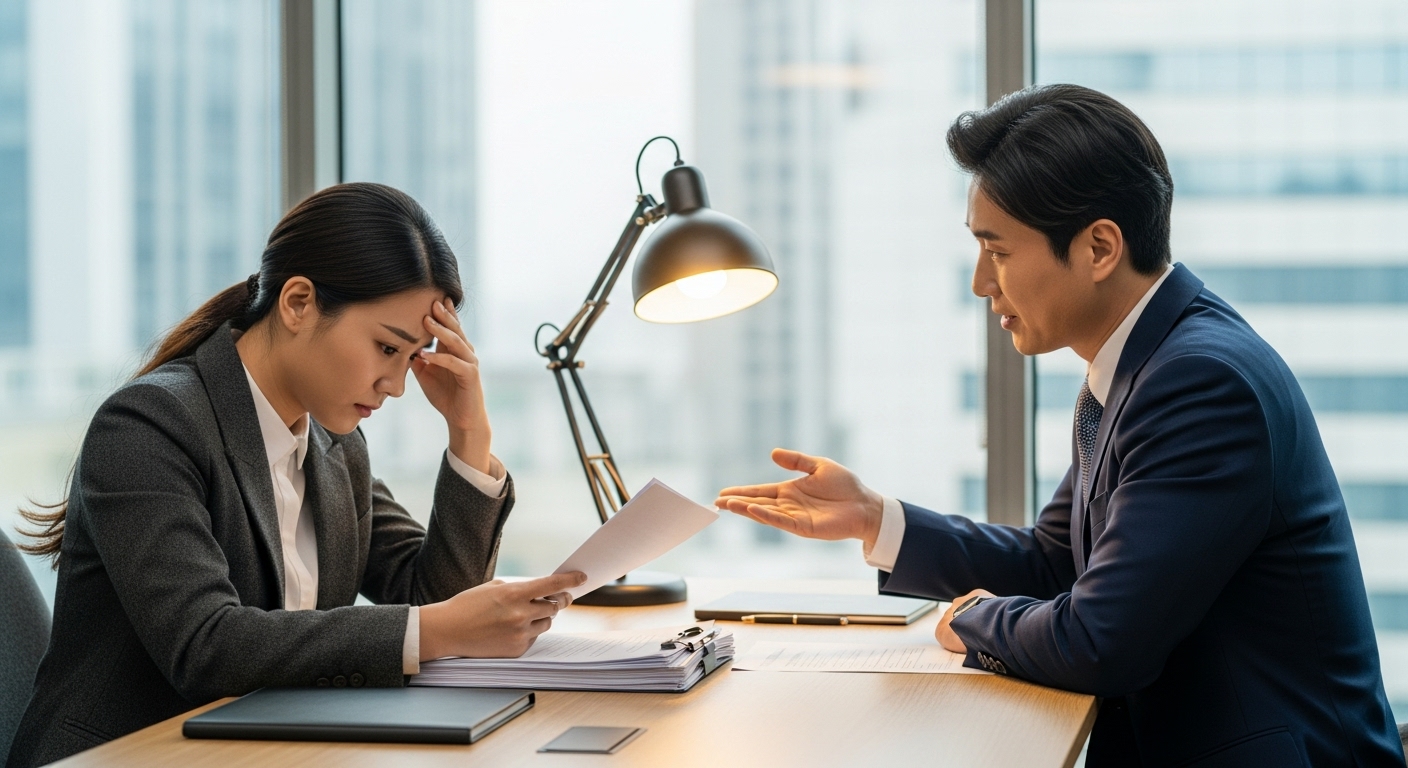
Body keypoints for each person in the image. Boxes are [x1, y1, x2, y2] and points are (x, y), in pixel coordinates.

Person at [714, 85, 1403, 767]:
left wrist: (973, 619)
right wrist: (874, 518)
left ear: (1100, 247)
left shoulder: (1198, 383)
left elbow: (1103, 641)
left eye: (1000, 251)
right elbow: (1057, 565)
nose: (983, 282)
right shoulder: (1144, 364)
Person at [8, 183, 585, 768]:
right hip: (128, 756)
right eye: (388, 347)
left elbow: (435, 600)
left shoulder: (335, 446)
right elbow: (205, 645)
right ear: (299, 303)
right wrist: (438, 627)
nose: (399, 384)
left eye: (412, 357)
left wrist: (470, 434)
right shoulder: (149, 425)